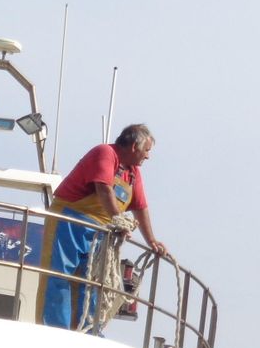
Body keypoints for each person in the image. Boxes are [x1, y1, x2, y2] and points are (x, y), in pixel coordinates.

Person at [41, 124, 167, 330]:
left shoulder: (133, 173)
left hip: (100, 231)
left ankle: (89, 329)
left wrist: (151, 240)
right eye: (147, 150)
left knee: (93, 282)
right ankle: (55, 328)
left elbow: (141, 207)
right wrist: (118, 220)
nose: (148, 156)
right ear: (134, 146)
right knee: (60, 275)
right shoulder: (105, 153)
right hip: (70, 221)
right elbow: (103, 188)